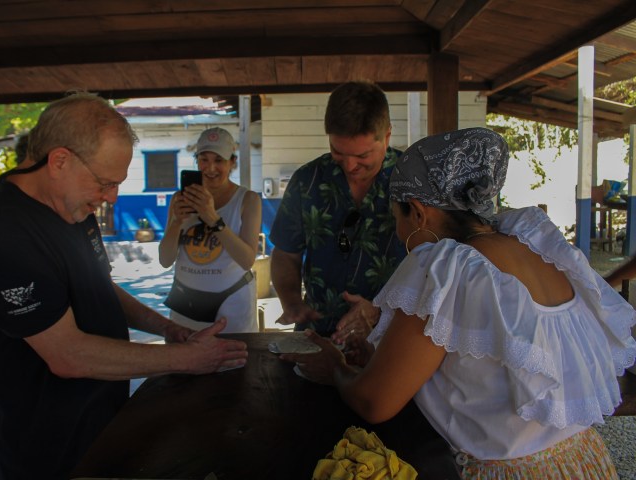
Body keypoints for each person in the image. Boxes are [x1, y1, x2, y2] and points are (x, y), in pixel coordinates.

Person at [281, 127, 636, 479]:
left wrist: (337, 369)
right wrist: (379, 357)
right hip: (580, 462)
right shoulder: (535, 246)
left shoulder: (445, 269)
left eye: (397, 218)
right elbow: (485, 369)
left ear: (418, 213)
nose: (399, 232)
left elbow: (375, 403)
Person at [0, 93, 248, 480]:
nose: (110, 197)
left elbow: (101, 289)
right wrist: (187, 360)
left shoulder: (72, 205)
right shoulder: (4, 230)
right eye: (104, 183)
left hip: (100, 422)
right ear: (59, 160)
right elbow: (68, 355)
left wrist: (167, 328)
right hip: (46, 446)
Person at [269, 81, 407, 343]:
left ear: (387, 137)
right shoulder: (306, 181)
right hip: (317, 336)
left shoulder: (414, 183)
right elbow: (286, 253)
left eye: (363, 155)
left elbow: (434, 269)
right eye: (338, 152)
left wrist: (381, 310)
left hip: (392, 343)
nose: (350, 165)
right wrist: (292, 302)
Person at [159, 127, 261, 333]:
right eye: (204, 159)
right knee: (184, 363)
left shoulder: (248, 200)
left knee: (234, 364)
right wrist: (176, 222)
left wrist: (212, 218)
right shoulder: (180, 199)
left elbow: (247, 260)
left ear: (232, 162)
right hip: (185, 302)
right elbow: (165, 260)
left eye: (219, 160)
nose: (210, 168)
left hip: (231, 305)